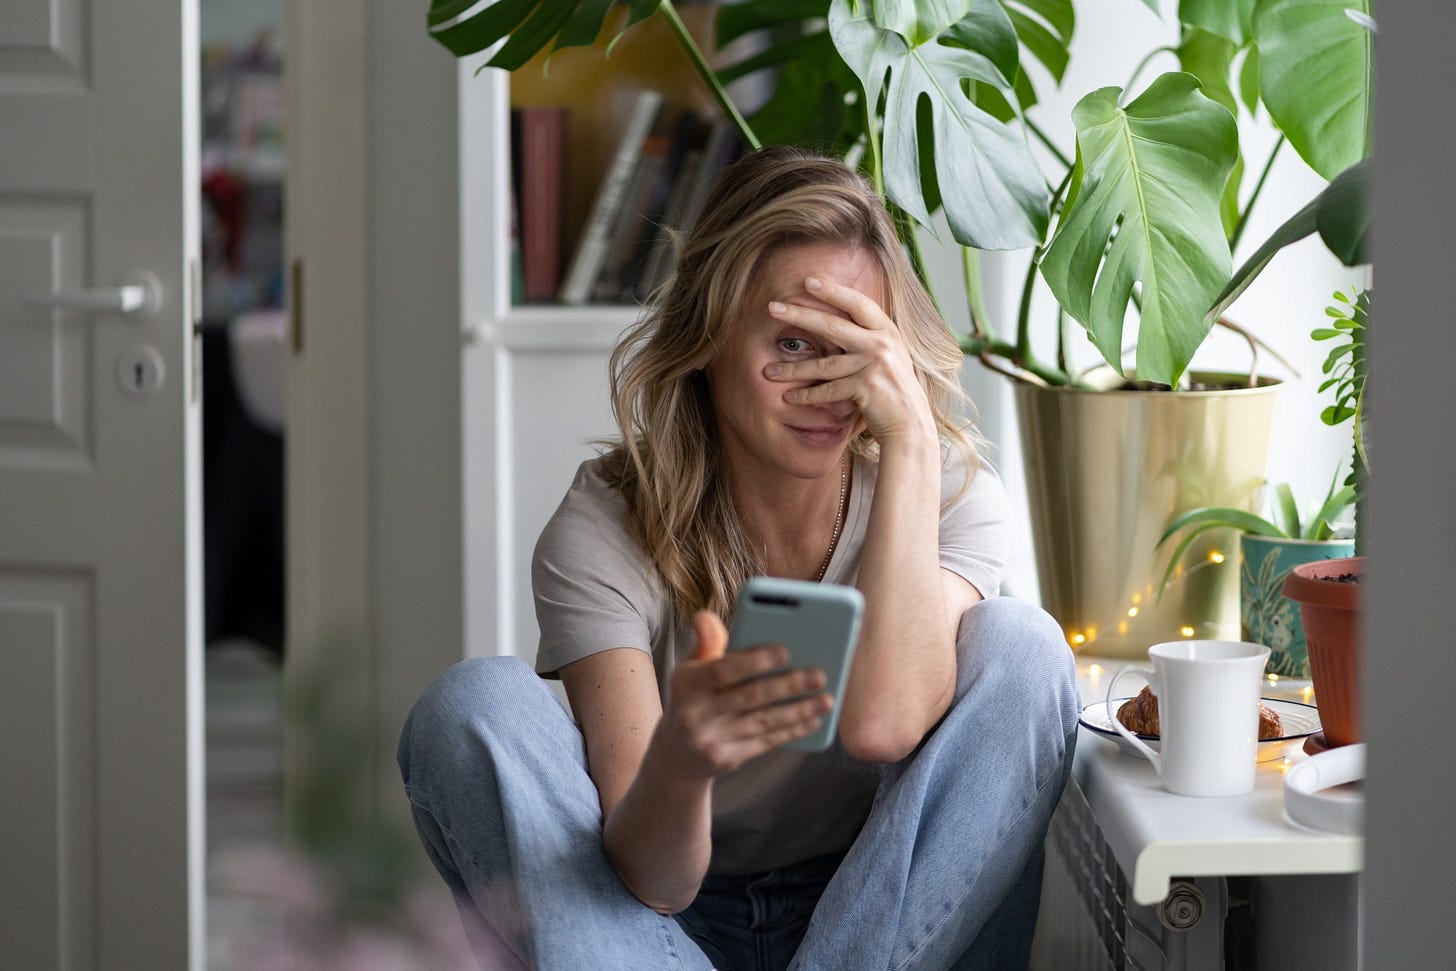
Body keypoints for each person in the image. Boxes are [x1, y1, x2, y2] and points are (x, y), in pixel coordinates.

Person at [398, 146, 1079, 970]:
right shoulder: (604, 526)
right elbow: (654, 882)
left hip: (883, 910)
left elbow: (884, 725)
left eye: (853, 347)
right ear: (710, 336)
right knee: (471, 704)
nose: (829, 385)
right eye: (793, 343)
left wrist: (909, 439)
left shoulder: (949, 493)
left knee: (1026, 646)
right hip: (660, 928)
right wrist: (684, 761)